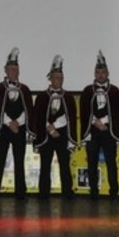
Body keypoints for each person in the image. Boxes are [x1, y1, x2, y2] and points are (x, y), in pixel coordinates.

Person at [0, 48, 34, 200]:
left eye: (16, 69)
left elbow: (28, 110)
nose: (14, 72)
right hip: (3, 129)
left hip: (19, 129)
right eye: (12, 69)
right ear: (5, 70)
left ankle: (21, 192)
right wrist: (8, 122)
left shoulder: (24, 89)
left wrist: (17, 122)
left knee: (19, 161)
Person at [80, 50, 119, 199]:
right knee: (92, 163)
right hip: (93, 132)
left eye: (103, 72)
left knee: (111, 162)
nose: (100, 75)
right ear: (95, 74)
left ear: (107, 73)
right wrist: (95, 122)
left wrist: (104, 122)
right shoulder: (87, 91)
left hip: (109, 131)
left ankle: (114, 191)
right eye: (98, 72)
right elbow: (84, 111)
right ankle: (93, 191)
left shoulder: (115, 91)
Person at [31, 55, 78, 199]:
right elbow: (37, 116)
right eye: (56, 77)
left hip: (62, 135)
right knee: (45, 165)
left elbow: (70, 117)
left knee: (64, 164)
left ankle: (67, 192)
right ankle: (43, 193)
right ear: (50, 79)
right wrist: (50, 128)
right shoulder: (41, 97)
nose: (59, 80)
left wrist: (56, 126)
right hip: (46, 136)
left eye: (61, 77)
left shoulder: (68, 97)